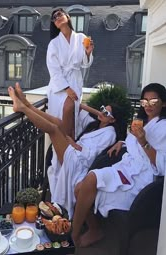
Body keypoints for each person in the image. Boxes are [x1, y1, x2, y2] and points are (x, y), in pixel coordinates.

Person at [8, 83, 126, 219]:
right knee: (58, 123)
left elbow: (91, 155)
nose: (101, 113)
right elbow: (79, 107)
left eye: (106, 113)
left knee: (54, 129)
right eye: (102, 109)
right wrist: (100, 112)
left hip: (79, 163)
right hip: (75, 152)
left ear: (113, 119)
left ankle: (23, 107)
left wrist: (74, 145)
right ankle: (27, 105)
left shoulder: (110, 134)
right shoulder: (96, 125)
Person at [72, 83, 166, 247]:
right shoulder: (142, 121)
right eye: (145, 101)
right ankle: (94, 229)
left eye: (153, 101)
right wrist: (122, 142)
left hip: (140, 179)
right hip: (125, 168)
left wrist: (143, 141)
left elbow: (161, 164)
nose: (148, 105)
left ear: (164, 103)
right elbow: (133, 145)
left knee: (91, 178)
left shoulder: (164, 128)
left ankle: (73, 235)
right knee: (78, 188)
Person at [46, 8, 94, 139]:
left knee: (71, 111)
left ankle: (69, 141)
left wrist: (88, 53)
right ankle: (66, 142)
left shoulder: (81, 38)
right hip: (59, 85)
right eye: (54, 18)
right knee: (66, 109)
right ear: (54, 24)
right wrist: (66, 88)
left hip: (75, 80)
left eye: (60, 14)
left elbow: (85, 64)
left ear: (67, 17)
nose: (57, 18)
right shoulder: (54, 44)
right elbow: (53, 70)